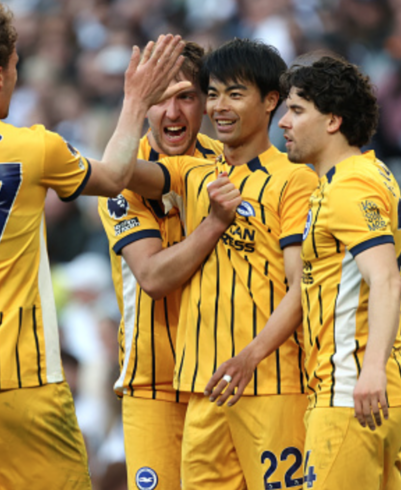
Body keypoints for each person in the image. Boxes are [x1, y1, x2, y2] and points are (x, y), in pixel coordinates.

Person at [0, 3, 187, 488]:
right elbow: (114, 176)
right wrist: (135, 101)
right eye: (15, 66)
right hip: (17, 376)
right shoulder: (31, 147)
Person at [127, 39, 319, 489]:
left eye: (234, 94)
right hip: (198, 387)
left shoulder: (295, 180)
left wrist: (251, 355)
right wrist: (133, 102)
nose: (219, 106)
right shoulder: (192, 174)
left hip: (270, 382)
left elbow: (302, 286)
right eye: (213, 94)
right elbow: (113, 174)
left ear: (270, 101)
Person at [250, 55, 401, 487]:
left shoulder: (349, 185)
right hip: (372, 388)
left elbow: (385, 279)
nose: (283, 122)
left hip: (351, 390)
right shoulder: (365, 173)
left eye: (297, 110)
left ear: (332, 121)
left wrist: (371, 370)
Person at [96, 42, 238, 490]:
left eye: (186, 97)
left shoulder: (230, 163)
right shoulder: (122, 177)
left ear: (206, 102)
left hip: (220, 375)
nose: (172, 113)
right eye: (158, 99)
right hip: (153, 381)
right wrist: (214, 223)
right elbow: (153, 276)